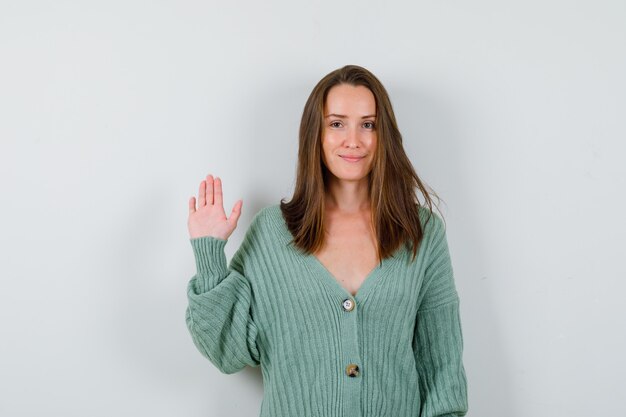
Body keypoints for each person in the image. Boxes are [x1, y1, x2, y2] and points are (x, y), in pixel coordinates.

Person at [185, 64, 468, 417]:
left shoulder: (421, 232)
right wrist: (210, 255)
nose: (354, 140)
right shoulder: (272, 232)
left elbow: (442, 370)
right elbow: (229, 352)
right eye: (337, 124)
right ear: (315, 134)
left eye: (368, 124)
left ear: (385, 136)